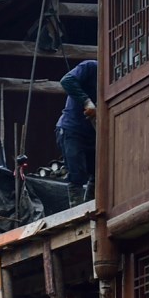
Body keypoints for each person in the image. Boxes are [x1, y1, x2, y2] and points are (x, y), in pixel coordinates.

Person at [57, 59, 98, 204]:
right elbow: (66, 81)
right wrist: (86, 101)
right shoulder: (91, 67)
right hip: (72, 128)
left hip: (94, 133)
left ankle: (90, 207)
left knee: (98, 172)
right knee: (76, 174)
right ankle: (77, 210)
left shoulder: (117, 77)